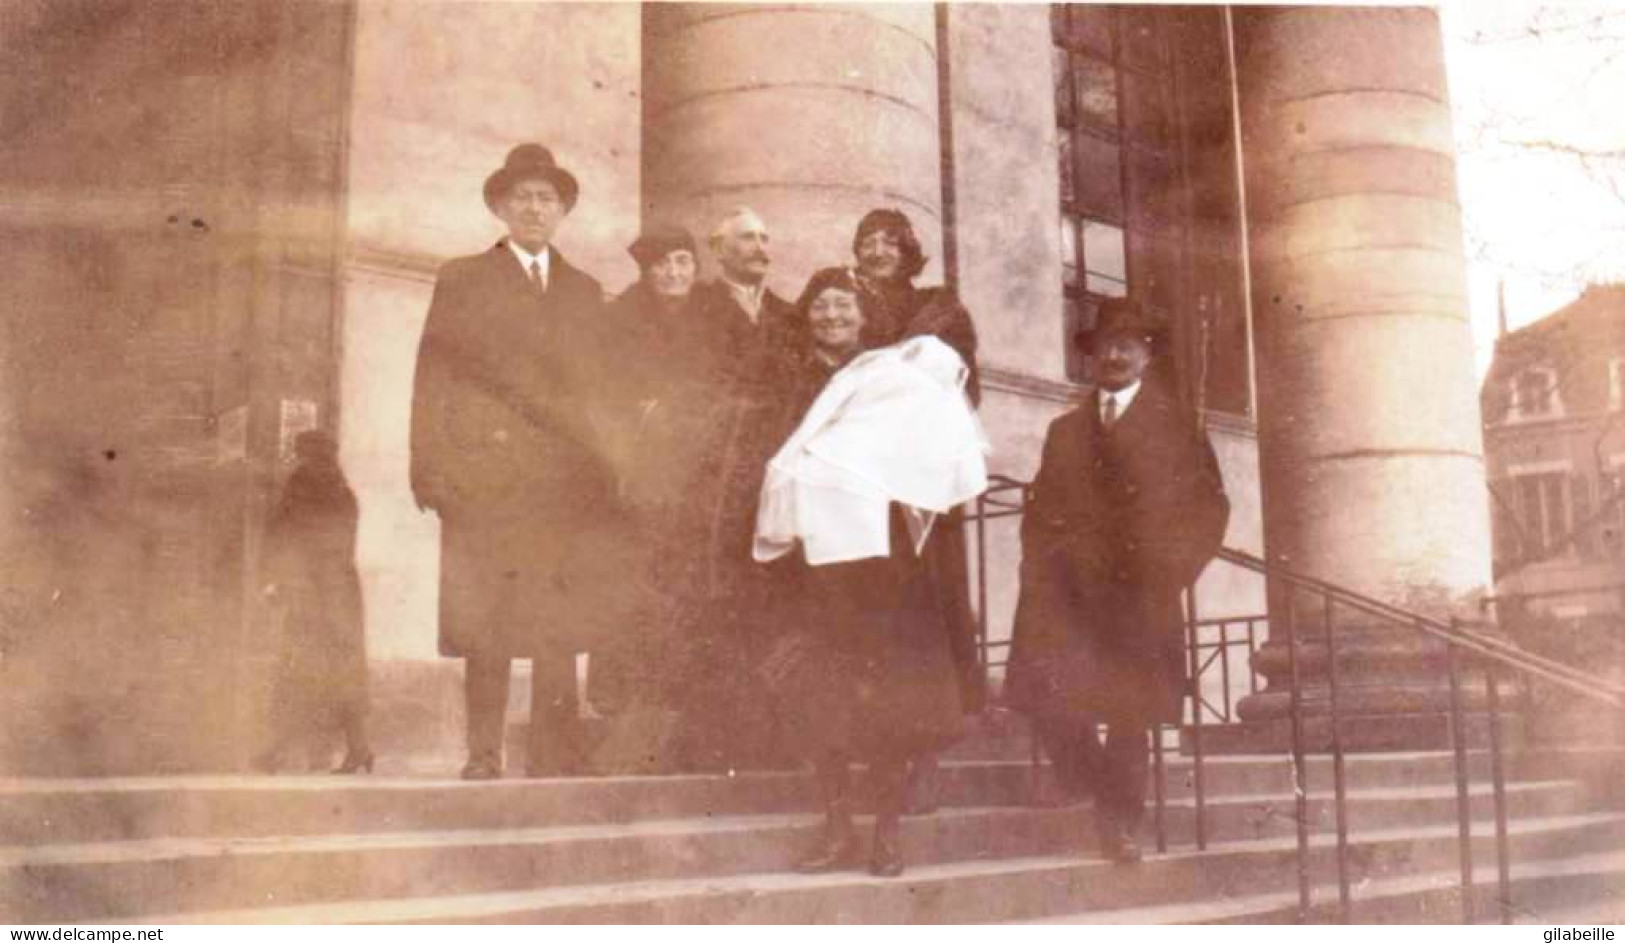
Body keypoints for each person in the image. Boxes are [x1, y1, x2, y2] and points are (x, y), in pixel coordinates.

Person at [410, 143, 633, 780]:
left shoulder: (584, 291)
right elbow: (434, 375)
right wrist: (429, 467)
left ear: (562, 210)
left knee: (560, 624)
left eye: (546, 198)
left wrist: (608, 471)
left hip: (564, 484)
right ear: (502, 208)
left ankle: (554, 752)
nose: (535, 208)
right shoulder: (462, 278)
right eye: (523, 198)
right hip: (487, 478)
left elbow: (601, 393)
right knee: (489, 621)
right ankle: (484, 754)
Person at [757, 267, 988, 878]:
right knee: (821, 700)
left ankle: (886, 833)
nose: (832, 315)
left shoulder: (894, 377)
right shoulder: (790, 379)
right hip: (815, 568)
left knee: (890, 703)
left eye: (844, 306)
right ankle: (836, 827)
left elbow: (931, 456)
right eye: (820, 306)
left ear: (864, 317)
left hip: (886, 566)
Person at [1005, 297, 1229, 864]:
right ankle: (1095, 785)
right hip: (1067, 592)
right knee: (1052, 701)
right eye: (1106, 345)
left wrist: (1172, 571)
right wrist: (1037, 567)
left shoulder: (1177, 426)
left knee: (1131, 714)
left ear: (1147, 355)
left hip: (1139, 589)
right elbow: (1040, 507)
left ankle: (1120, 824)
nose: (1115, 355)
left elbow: (1210, 509)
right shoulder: (1065, 430)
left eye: (1128, 344)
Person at [848, 208, 986, 814]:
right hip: (859, 487)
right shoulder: (838, 303)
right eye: (866, 242)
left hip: (923, 489)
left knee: (927, 617)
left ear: (908, 251)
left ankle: (927, 753)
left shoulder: (940, 309)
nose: (877, 250)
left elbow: (962, 388)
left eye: (888, 242)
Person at [256, 431, 371, 774]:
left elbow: (282, 535)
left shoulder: (301, 487)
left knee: (296, 670)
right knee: (343, 671)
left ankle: (276, 751)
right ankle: (359, 748)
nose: (299, 459)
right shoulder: (344, 493)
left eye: (301, 452)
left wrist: (275, 580)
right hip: (341, 596)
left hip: (310, 594)